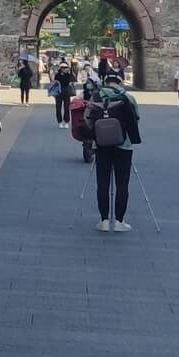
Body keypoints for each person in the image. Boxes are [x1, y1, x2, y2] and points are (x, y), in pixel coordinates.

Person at [85, 70, 140, 231]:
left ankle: (103, 220)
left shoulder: (96, 96)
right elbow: (136, 118)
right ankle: (119, 221)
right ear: (120, 82)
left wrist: (97, 134)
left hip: (101, 145)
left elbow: (87, 118)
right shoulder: (127, 97)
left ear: (105, 81)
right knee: (122, 183)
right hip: (123, 145)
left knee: (102, 182)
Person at [53, 60, 74, 126]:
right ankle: (60, 121)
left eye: (66, 68)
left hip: (66, 92)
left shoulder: (68, 75)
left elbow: (70, 81)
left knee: (67, 107)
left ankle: (66, 121)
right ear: (61, 69)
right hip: (58, 92)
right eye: (64, 68)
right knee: (58, 107)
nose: (65, 69)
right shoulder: (57, 75)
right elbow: (55, 83)